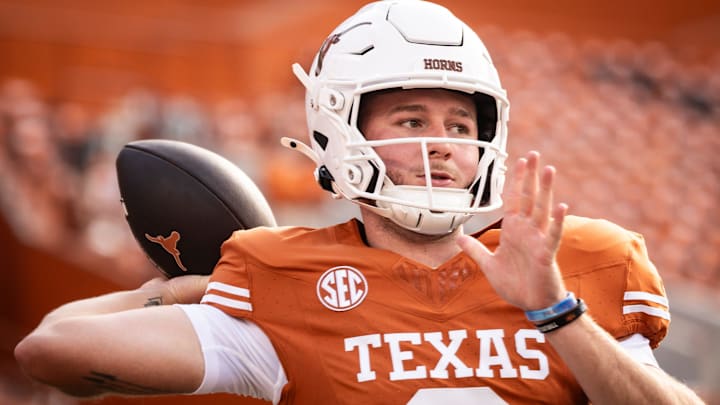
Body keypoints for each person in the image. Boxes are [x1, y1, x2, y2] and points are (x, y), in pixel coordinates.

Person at [14, 1, 704, 404]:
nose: (443, 144)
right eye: (411, 121)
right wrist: (192, 290)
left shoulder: (583, 264)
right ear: (337, 131)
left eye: (460, 126)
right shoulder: (279, 281)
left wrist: (556, 312)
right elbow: (50, 347)